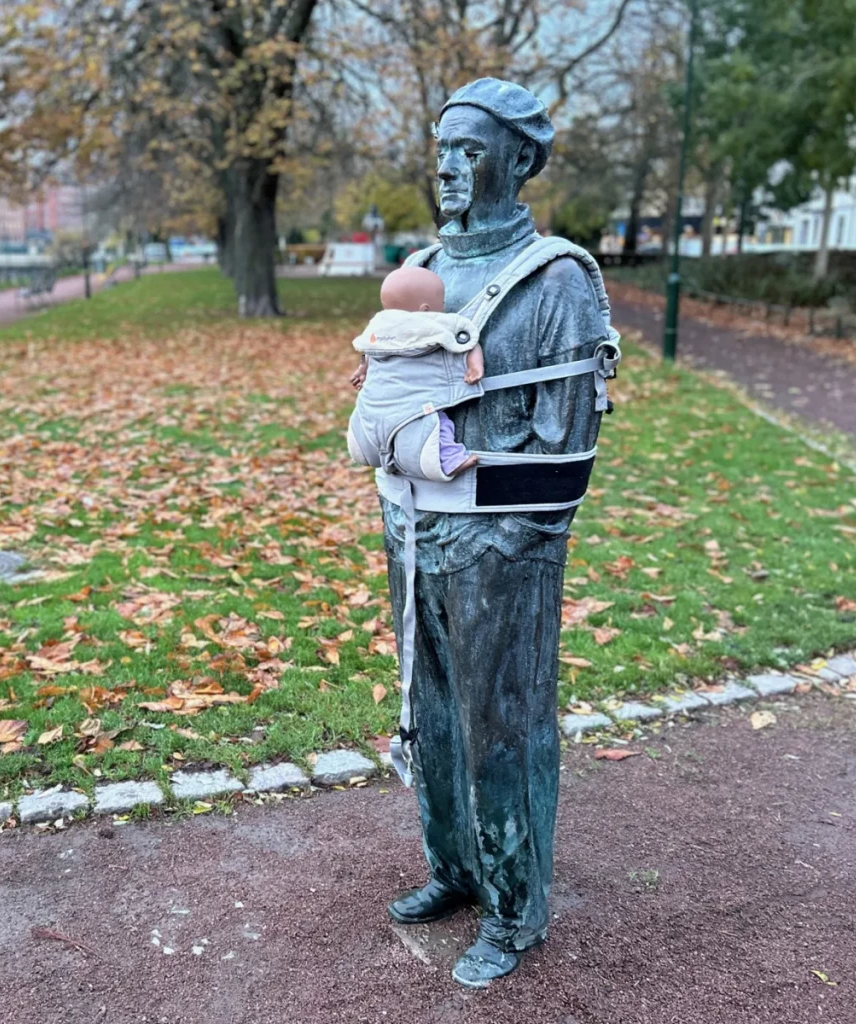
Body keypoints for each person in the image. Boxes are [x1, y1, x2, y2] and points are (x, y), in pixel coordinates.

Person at [376, 78, 617, 988]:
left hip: (500, 543)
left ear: (518, 161)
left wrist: (510, 537)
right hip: (410, 528)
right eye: (441, 149)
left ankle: (516, 911)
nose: (447, 166)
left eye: (469, 150)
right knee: (429, 710)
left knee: (501, 723)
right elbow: (390, 392)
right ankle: (456, 869)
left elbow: (568, 442)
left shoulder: (558, 279)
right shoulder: (422, 267)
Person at [349, 265, 482, 478]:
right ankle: (450, 461)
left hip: (376, 405)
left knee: (378, 432)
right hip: (416, 404)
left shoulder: (380, 324)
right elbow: (467, 340)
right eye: (442, 302)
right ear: (426, 308)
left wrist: (363, 369)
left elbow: (368, 350)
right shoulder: (436, 323)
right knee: (441, 426)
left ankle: (369, 449)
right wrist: (475, 367)